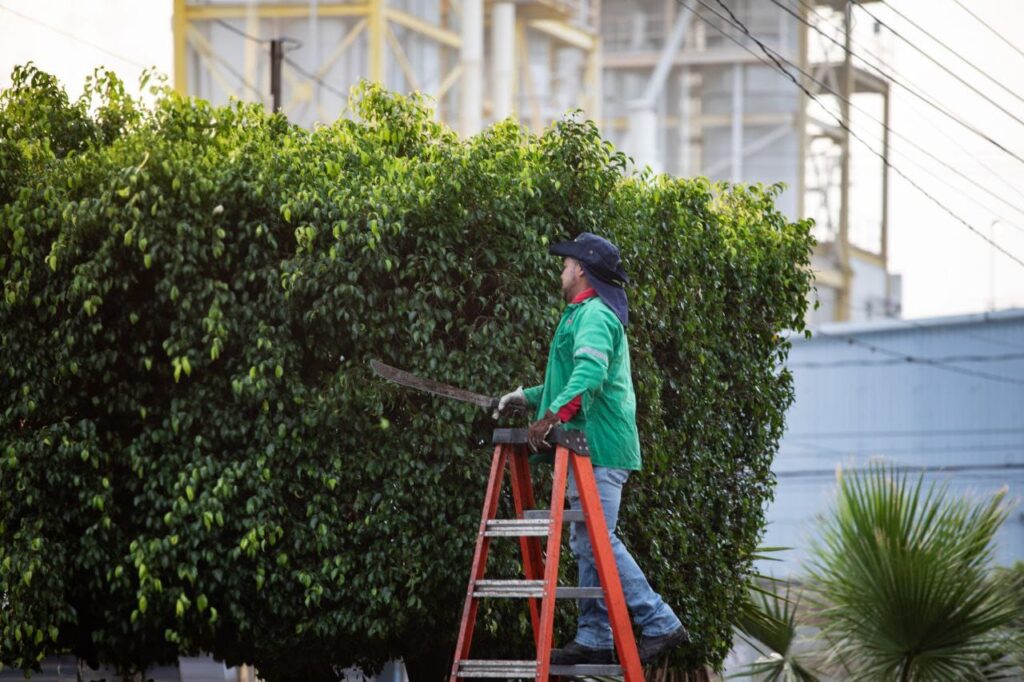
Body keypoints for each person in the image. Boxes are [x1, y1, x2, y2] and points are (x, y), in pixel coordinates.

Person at [495, 232, 689, 665]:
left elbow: (590, 374)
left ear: (581, 269)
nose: (561, 269)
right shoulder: (582, 314)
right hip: (589, 446)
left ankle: (660, 621)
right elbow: (568, 382)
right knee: (588, 542)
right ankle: (595, 635)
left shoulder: (596, 315)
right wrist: (524, 397)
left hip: (600, 445)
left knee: (599, 539)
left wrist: (553, 416)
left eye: (566, 263)